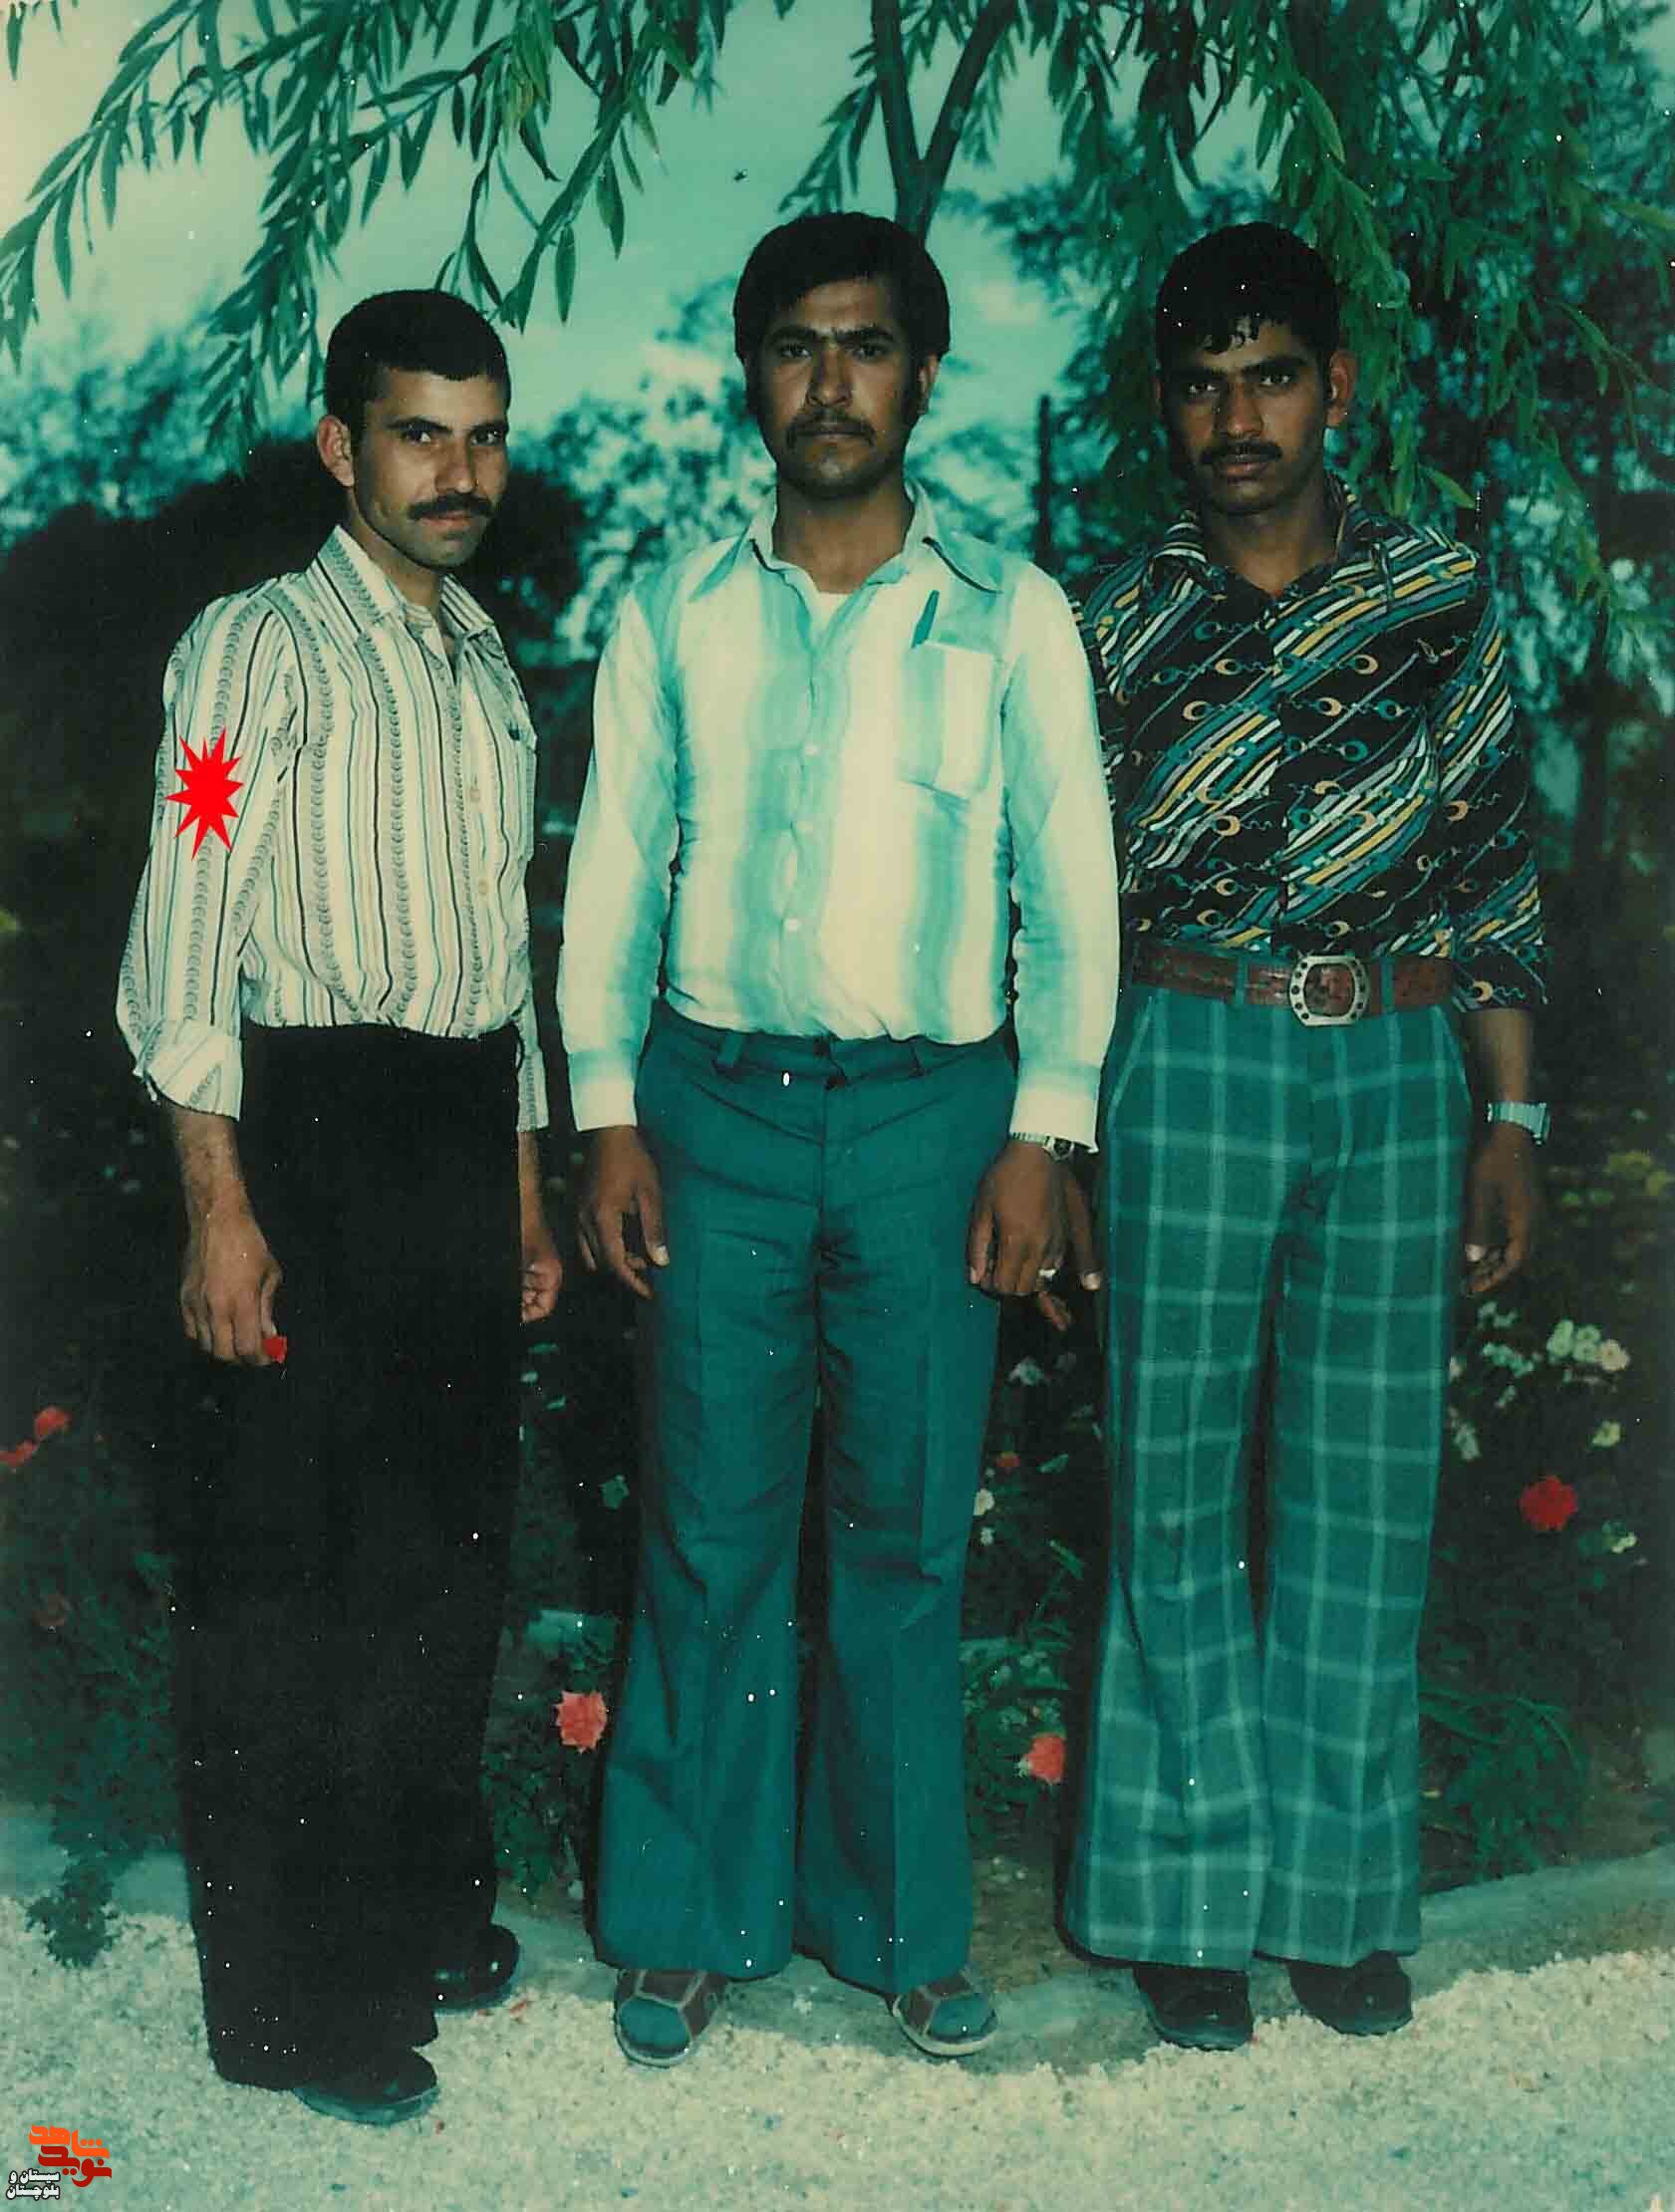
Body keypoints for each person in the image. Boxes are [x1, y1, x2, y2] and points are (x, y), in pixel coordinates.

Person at [558, 211, 1119, 2067]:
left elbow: (1070, 887)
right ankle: (685, 1920)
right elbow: (613, 871)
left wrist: (1044, 1131)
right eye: (794, 345)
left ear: (922, 375)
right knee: (709, 1526)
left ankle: (896, 1932)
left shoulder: (1011, 613)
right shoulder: (673, 609)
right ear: (752, 374)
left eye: (865, 345)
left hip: (931, 1123)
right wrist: (606, 1112)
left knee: (902, 1534)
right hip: (711, 1108)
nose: (829, 381)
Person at [1063, 224, 1547, 2051]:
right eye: (1203, 386)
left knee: (1361, 1490)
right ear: (1165, 407)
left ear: (1333, 388)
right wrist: (1057, 1134)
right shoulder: (1107, 623)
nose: (1237, 418)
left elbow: (1490, 862)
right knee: (1171, 1485)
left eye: (1270, 378)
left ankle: (1338, 1908)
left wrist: (1509, 1114)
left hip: (1398, 1055)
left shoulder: (1436, 595)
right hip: (1185, 1042)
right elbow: (1057, 899)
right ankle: (1184, 1908)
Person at [117, 290, 562, 2124]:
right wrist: (217, 1205)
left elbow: (501, 960)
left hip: (456, 1137)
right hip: (302, 1129)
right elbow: (182, 934)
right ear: (339, 446)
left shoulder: (483, 659)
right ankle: (289, 2009)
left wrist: (519, 1188)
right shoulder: (254, 651)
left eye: (483, 435)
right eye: (417, 434)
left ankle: (412, 1916)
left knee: (440, 1562)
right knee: (289, 1584)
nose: (457, 473)